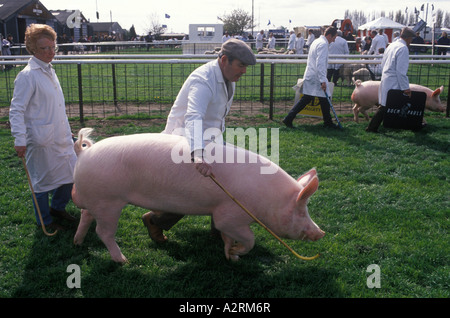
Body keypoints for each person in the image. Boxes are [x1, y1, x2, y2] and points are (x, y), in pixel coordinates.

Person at [142, 38, 256, 243]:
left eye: (245, 67)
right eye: (241, 66)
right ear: (224, 60)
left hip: (208, 139)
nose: (244, 71)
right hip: (183, 140)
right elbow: (193, 117)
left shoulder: (228, 78)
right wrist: (198, 154)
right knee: (192, 192)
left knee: (220, 182)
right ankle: (155, 220)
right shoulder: (203, 80)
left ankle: (220, 229)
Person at [9, 24, 78, 230]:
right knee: (40, 182)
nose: (50, 52)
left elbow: (56, 106)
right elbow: (16, 110)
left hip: (59, 136)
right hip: (40, 139)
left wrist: (66, 129)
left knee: (71, 173)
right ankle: (44, 221)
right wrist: (19, 139)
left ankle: (57, 207)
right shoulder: (28, 76)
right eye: (44, 48)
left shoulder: (49, 71)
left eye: (52, 47)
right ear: (32, 49)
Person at [282, 27, 339, 129]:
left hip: (312, 75)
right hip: (316, 77)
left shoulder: (317, 41)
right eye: (334, 37)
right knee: (311, 98)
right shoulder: (323, 44)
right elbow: (320, 63)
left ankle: (327, 121)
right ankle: (289, 118)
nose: (334, 40)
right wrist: (322, 80)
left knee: (322, 99)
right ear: (330, 35)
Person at [366, 27, 416, 133]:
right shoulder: (403, 48)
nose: (411, 41)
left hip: (387, 77)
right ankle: (372, 128)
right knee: (387, 105)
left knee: (389, 104)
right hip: (394, 80)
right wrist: (406, 88)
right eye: (411, 39)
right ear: (408, 38)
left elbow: (383, 62)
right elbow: (401, 71)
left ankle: (396, 125)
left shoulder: (392, 45)